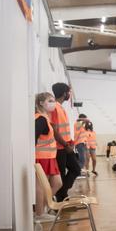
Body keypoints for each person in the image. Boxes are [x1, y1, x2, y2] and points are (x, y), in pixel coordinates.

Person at [50, 82, 81, 202]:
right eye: (68, 92)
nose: (69, 94)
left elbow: (63, 130)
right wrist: (65, 144)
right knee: (62, 174)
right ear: (64, 93)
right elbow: (54, 130)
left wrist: (70, 141)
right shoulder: (55, 108)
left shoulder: (60, 107)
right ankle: (61, 199)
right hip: (60, 148)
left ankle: (62, 192)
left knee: (76, 169)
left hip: (66, 146)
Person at [34, 92, 62, 221]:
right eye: (49, 100)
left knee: (57, 183)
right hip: (42, 158)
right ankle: (39, 214)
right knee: (41, 186)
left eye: (53, 100)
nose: (53, 103)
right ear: (41, 103)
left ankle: (43, 208)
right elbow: (33, 137)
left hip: (50, 157)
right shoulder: (40, 119)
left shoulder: (45, 118)